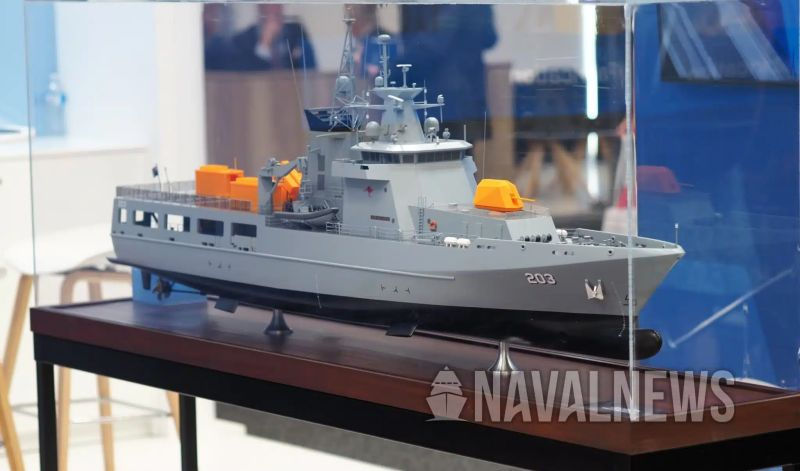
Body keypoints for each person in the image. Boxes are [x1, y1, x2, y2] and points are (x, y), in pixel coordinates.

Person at [398, 5, 497, 142]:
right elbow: (489, 37)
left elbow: (431, 44)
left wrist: (390, 68)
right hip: (454, 96)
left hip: (445, 97)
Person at [205, 4, 316, 72]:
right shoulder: (244, 40)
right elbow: (247, 78)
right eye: (269, 4)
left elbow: (310, 70)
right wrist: (264, 43)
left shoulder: (295, 30)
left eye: (278, 3)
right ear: (260, 7)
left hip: (293, 97)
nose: (275, 8)